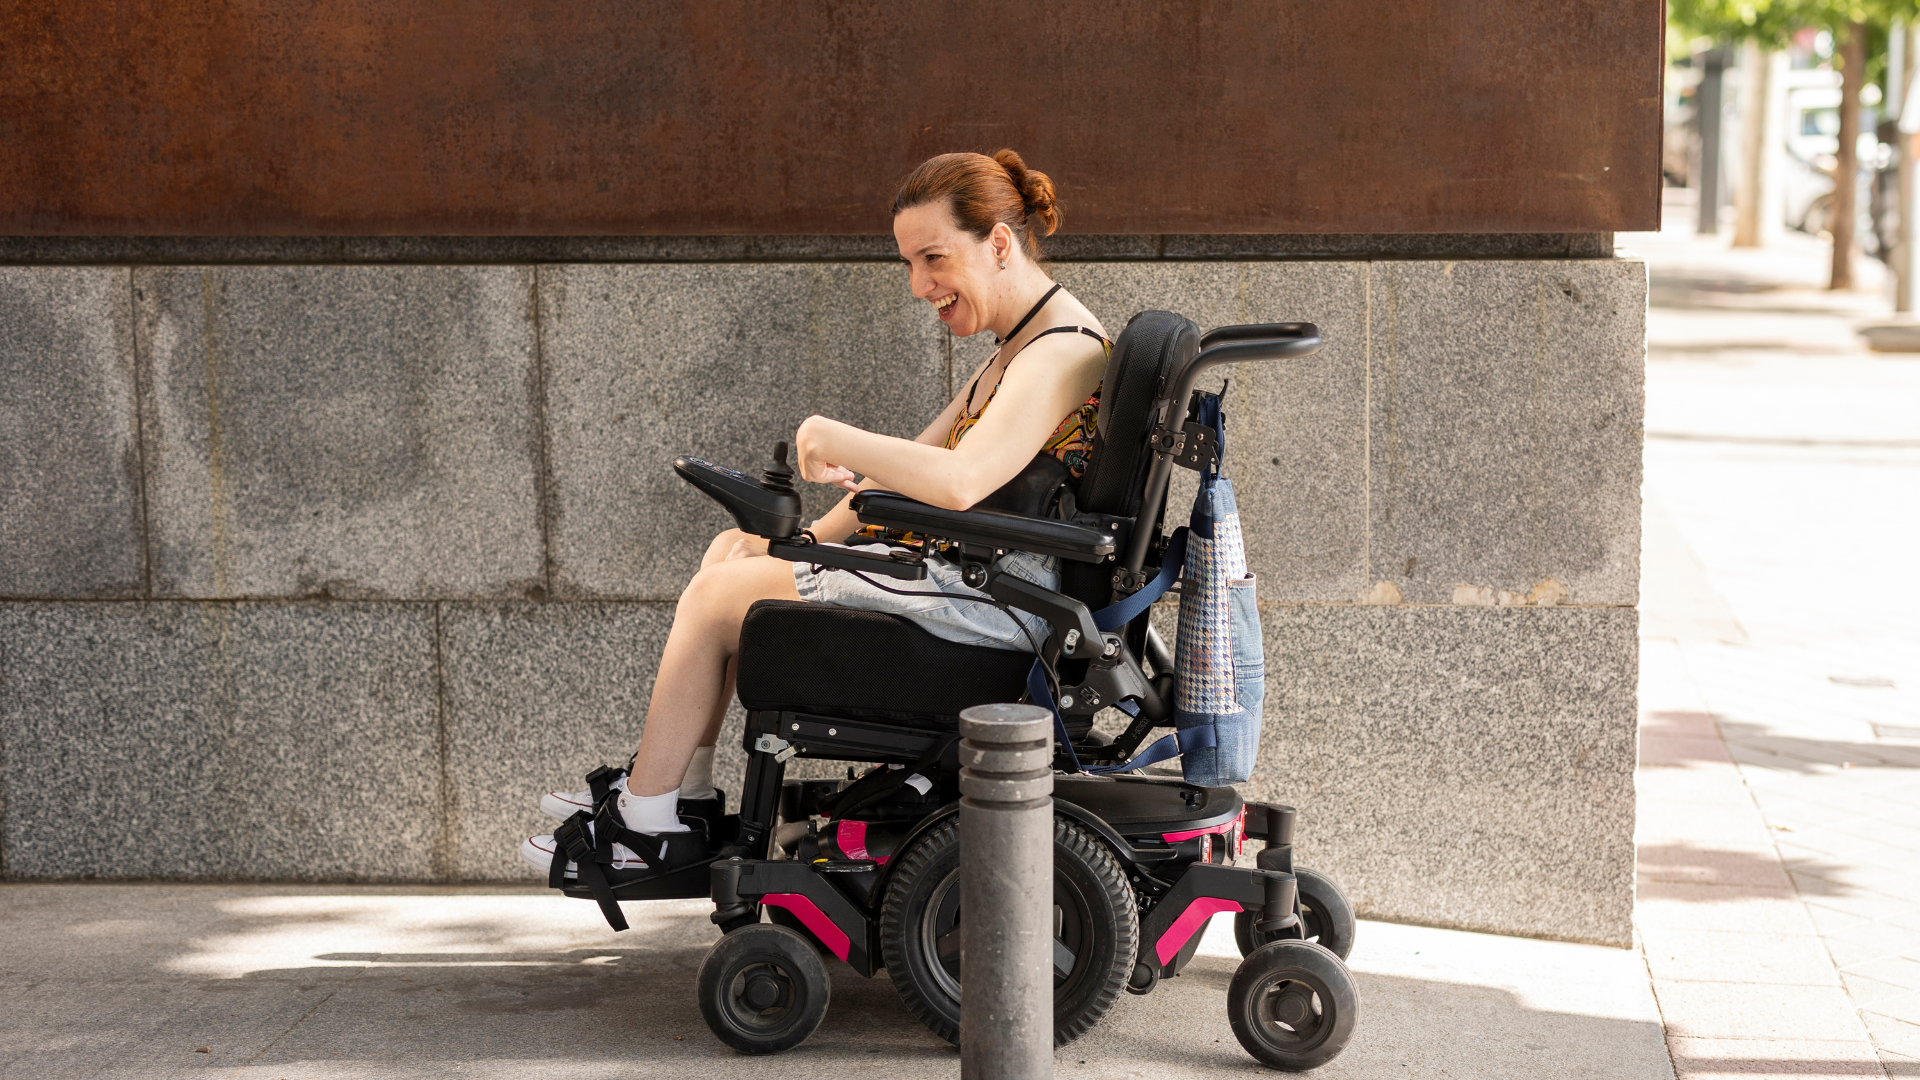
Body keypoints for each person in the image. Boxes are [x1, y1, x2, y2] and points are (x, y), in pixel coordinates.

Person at [522, 150, 1112, 881]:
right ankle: (683, 795)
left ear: (997, 242)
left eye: (933, 257)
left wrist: (829, 434)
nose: (919, 284)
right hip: (971, 580)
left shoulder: (1062, 352)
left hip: (996, 608)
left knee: (714, 601)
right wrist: (802, 546)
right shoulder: (1019, 347)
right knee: (728, 554)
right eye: (908, 263)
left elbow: (958, 483)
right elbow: (896, 485)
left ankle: (646, 824)